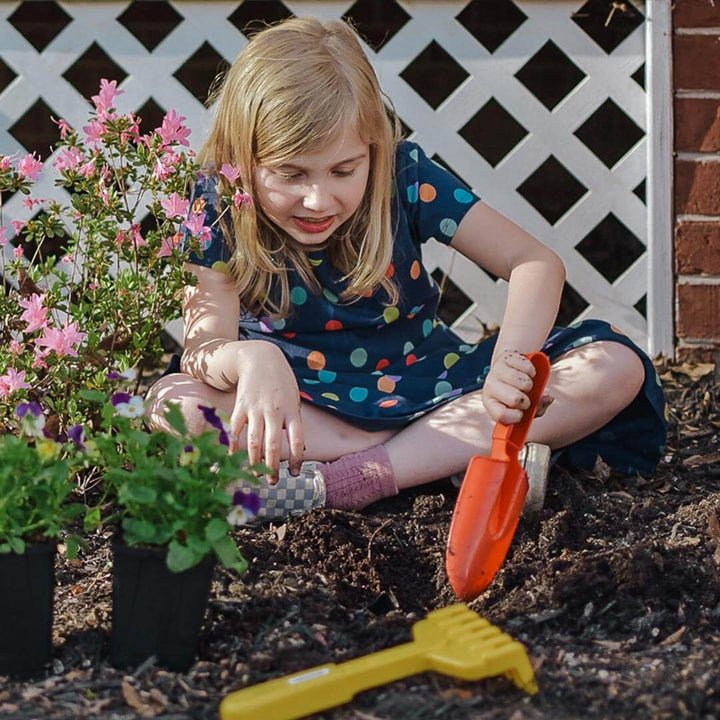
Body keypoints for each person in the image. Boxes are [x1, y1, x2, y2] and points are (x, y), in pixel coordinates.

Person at [145, 17, 667, 523]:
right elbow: (201, 348)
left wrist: (509, 365)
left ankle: (353, 480)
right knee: (173, 404)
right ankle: (443, 459)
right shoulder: (216, 202)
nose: (317, 198)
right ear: (244, 156)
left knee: (615, 367)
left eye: (343, 170)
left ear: (372, 149)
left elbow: (535, 262)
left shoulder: (405, 176)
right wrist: (252, 359)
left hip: (431, 381)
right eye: (290, 173)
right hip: (303, 401)